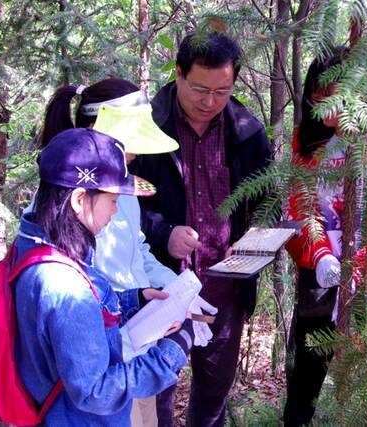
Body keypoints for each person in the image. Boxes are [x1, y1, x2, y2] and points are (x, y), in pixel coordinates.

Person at [38, 78, 217, 427]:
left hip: (135, 351)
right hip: (105, 365)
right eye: (128, 145)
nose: (134, 155)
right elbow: (81, 295)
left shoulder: (122, 187)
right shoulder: (67, 204)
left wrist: (176, 292)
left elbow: (138, 250)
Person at [130, 31, 272, 426]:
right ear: (178, 74)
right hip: (159, 291)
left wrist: (256, 245)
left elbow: (266, 204)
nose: (210, 102)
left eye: (222, 91)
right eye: (199, 89)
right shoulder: (148, 128)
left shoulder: (246, 133)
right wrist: (164, 232)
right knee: (154, 393)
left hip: (224, 290)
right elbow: (122, 209)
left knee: (213, 395)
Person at [14, 128, 195, 425]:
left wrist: (132, 300)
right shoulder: (66, 286)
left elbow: (69, 332)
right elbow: (95, 391)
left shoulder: (37, 246)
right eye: (112, 200)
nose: (115, 210)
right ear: (79, 199)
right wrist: (172, 352)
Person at [283, 48, 367, 426]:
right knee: (307, 369)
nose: (328, 116)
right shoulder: (306, 139)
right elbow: (300, 202)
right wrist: (321, 254)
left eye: (337, 104)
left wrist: (364, 266)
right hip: (320, 267)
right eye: (318, 104)